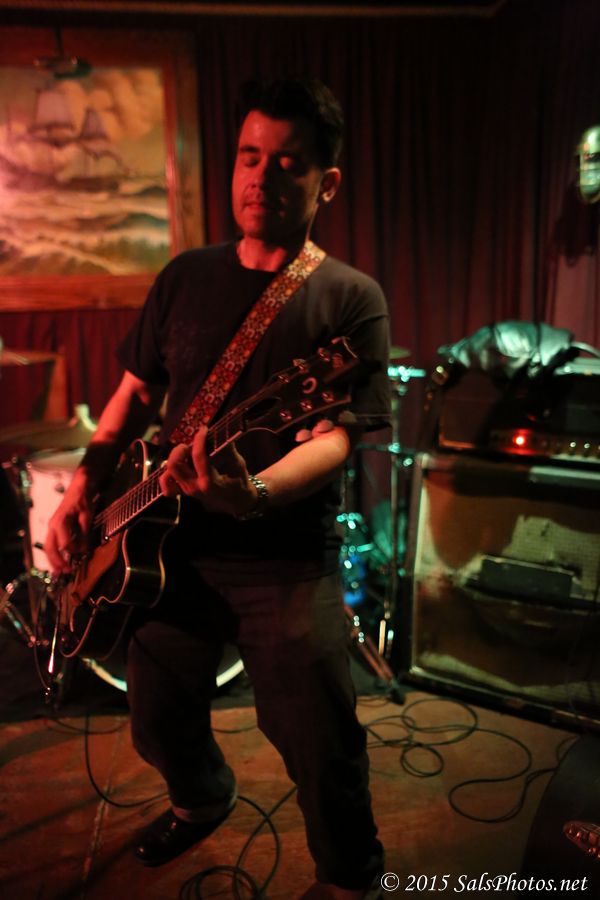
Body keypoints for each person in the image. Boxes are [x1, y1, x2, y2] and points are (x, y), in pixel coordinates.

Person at [45, 76, 390, 900]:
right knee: (156, 716)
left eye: (287, 163)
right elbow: (134, 391)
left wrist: (254, 494)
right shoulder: (184, 275)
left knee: (319, 739)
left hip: (286, 557)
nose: (261, 177)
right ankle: (201, 797)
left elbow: (336, 437)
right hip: (170, 550)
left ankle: (351, 877)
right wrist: (82, 486)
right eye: (248, 156)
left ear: (326, 183)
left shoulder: (349, 298)